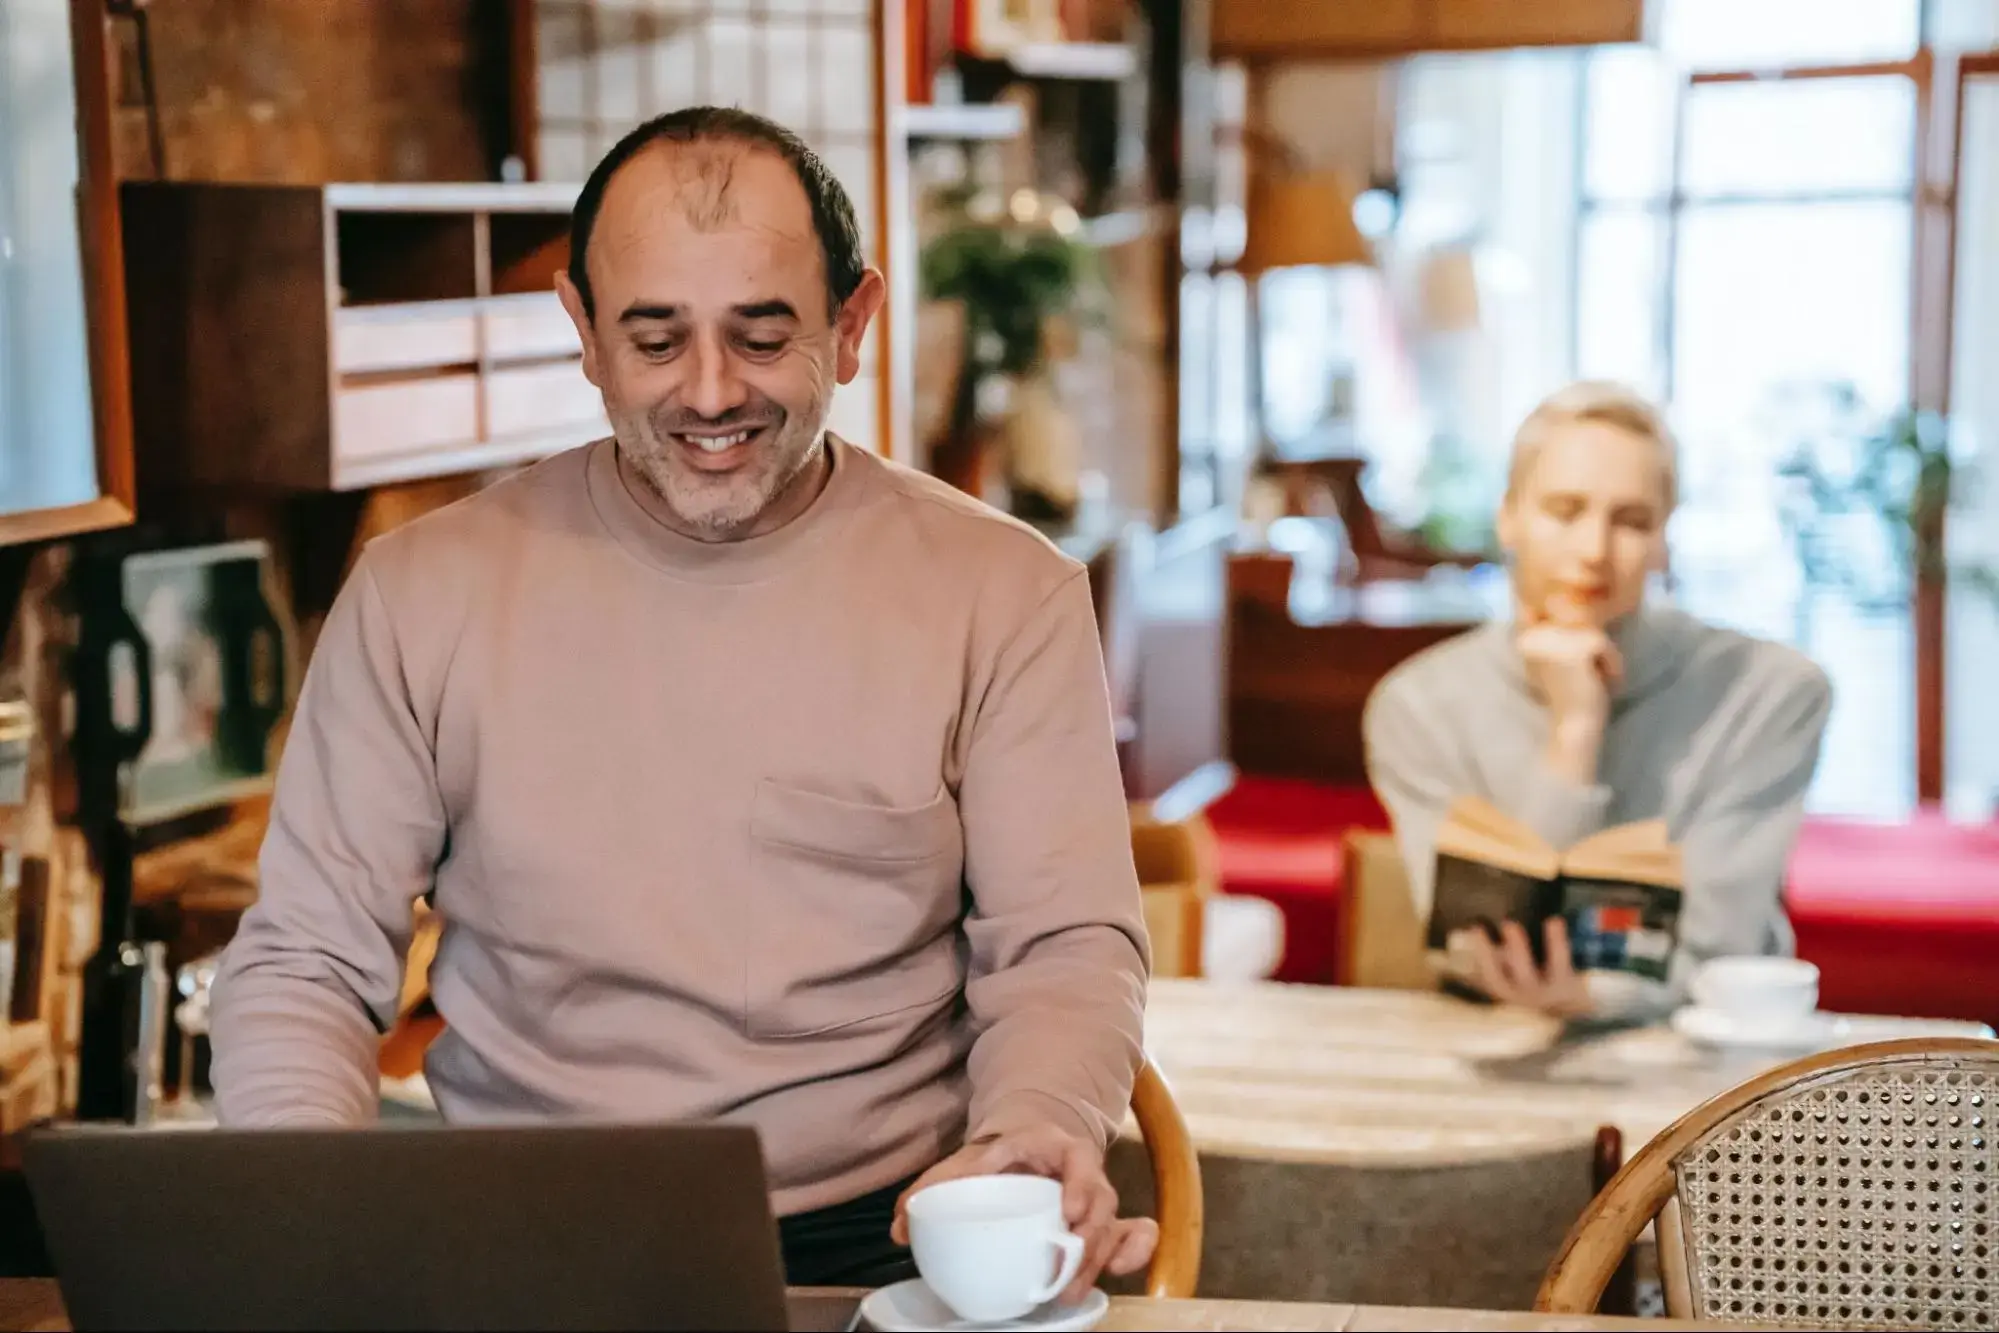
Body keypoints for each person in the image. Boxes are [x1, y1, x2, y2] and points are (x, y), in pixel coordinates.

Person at [211, 107, 1156, 1297]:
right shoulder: (421, 592)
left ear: (852, 325)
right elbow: (305, 955)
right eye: (655, 341)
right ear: (585, 333)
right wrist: (307, 1210)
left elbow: (1063, 941)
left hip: (884, 1247)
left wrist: (1038, 1120)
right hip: (510, 1242)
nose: (709, 395)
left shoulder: (1004, 591)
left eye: (762, 338)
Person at [1362, 381, 1833, 1018]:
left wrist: (1588, 996)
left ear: (1663, 539)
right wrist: (1573, 732)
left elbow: (1720, 949)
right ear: (1508, 517)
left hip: (1707, 1062)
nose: (1593, 551)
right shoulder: (1416, 706)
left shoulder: (1770, 693)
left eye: (1632, 521)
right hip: (1502, 1051)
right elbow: (1485, 952)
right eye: (1564, 510)